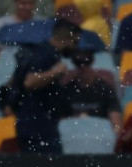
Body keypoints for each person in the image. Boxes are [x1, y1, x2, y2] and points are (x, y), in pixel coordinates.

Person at [11, 18, 81, 154]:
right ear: (66, 38)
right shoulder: (47, 54)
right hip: (38, 128)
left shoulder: (42, 52)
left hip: (33, 124)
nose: (76, 46)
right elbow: (29, 82)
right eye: (75, 42)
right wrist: (56, 72)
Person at [62, 50, 123, 135]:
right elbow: (61, 120)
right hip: (75, 134)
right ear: (74, 65)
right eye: (78, 63)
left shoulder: (105, 89)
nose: (82, 67)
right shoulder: (67, 90)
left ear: (91, 63)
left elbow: (116, 120)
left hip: (99, 134)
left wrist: (114, 134)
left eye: (86, 63)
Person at [0, 0, 38, 66]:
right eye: (23, 3)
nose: (27, 7)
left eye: (30, 3)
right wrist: (7, 64)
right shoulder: (2, 23)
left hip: (34, 67)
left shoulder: (41, 24)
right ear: (15, 3)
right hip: (8, 67)